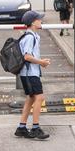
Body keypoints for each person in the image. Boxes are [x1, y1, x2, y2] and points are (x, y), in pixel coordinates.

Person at [14, 10, 51, 140]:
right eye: (39, 19)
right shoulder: (29, 37)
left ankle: (21, 128)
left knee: (31, 98)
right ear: (33, 22)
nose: (41, 21)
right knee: (39, 98)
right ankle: (35, 128)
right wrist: (41, 62)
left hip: (29, 73)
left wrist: (41, 61)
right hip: (30, 74)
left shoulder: (32, 35)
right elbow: (27, 56)